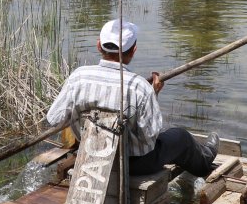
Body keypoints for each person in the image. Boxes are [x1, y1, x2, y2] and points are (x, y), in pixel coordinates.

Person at [46, 19, 217, 178]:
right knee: (180, 137)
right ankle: (206, 159)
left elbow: (54, 118)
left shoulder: (79, 77)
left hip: (91, 156)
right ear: (133, 51)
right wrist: (152, 95)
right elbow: (149, 139)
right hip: (131, 166)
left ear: (99, 46)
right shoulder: (140, 87)